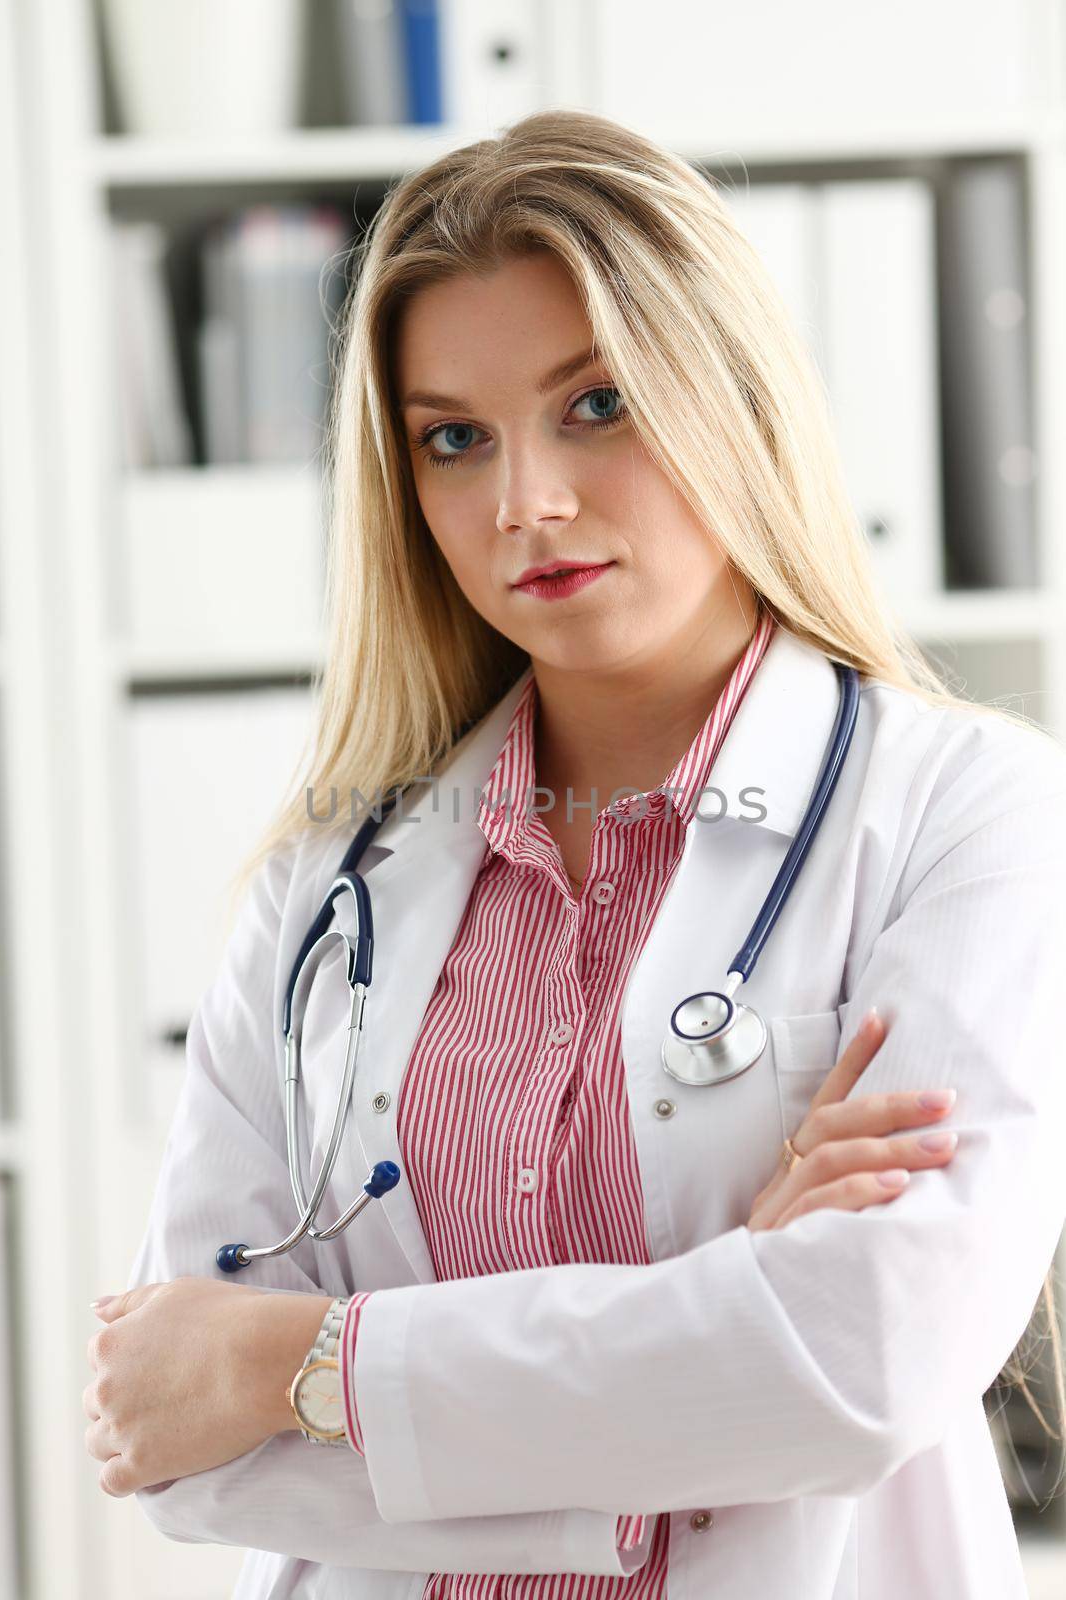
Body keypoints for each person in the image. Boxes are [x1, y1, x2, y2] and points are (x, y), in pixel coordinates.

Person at [84, 109, 1066, 1600]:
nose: (522, 502)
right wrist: (704, 1338)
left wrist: (306, 1361)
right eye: (453, 439)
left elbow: (862, 1360)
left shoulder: (966, 812)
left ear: (729, 396)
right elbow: (182, 1438)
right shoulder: (326, 886)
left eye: (596, 404)